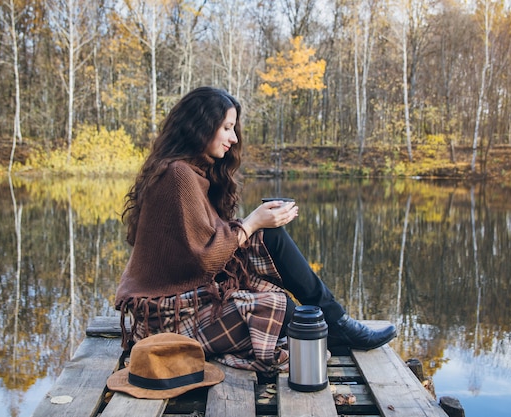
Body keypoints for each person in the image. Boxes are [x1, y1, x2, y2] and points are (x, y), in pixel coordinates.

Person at [115, 86, 396, 375]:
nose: (234, 138)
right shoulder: (179, 175)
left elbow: (204, 246)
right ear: (200, 126)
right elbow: (205, 258)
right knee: (283, 308)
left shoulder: (188, 171)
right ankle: (336, 325)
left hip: (180, 298)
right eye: (226, 128)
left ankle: (336, 323)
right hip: (165, 317)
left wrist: (260, 226)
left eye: (233, 128)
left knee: (271, 246)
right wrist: (252, 223)